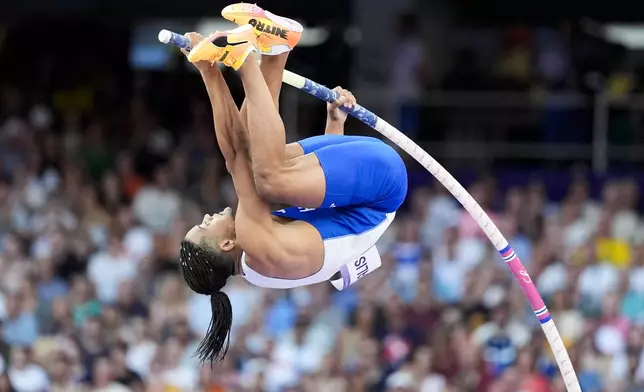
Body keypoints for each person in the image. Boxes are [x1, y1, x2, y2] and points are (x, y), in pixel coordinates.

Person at [179, 3, 408, 363]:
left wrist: (334, 125)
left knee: (260, 167)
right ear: (226, 244)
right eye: (204, 227)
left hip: (357, 186)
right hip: (381, 185)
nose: (206, 217)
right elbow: (237, 155)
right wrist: (214, 72)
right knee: (266, 178)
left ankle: (276, 49)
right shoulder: (256, 245)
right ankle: (255, 60)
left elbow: (242, 156)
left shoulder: (257, 258)